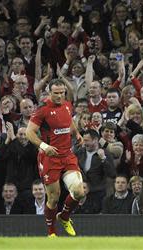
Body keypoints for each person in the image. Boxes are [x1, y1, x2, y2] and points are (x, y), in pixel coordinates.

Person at [26, 79, 84, 237]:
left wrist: (76, 133)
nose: (60, 96)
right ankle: (52, 233)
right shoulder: (42, 110)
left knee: (79, 192)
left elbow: (69, 121)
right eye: (56, 93)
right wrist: (44, 147)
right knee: (54, 197)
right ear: (49, 92)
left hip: (67, 155)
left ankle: (64, 217)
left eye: (62, 93)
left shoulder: (67, 104)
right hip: (49, 157)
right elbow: (29, 132)